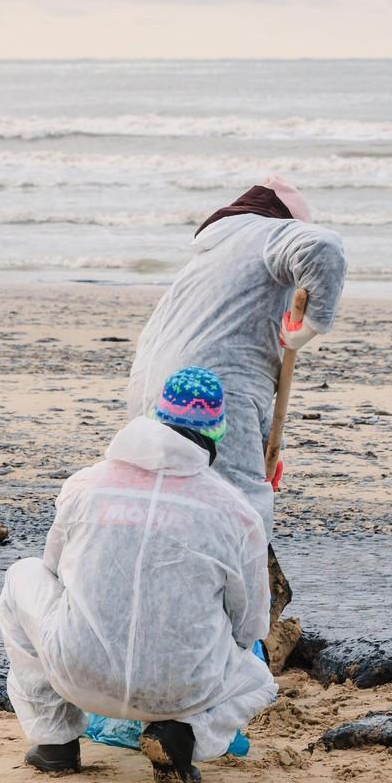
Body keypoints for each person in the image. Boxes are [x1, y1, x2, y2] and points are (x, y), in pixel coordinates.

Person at [0, 367, 276, 783]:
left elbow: (53, 572)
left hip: (78, 674)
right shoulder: (236, 512)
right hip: (182, 690)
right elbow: (251, 625)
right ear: (218, 433)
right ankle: (182, 734)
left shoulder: (85, 485)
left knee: (24, 574)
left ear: (156, 418)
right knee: (258, 680)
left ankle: (55, 741)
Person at [125, 176, 347, 543]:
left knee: (171, 501)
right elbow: (324, 246)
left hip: (152, 390)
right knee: (240, 508)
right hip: (212, 387)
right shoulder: (269, 233)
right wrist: (311, 325)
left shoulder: (212, 255)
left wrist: (267, 448)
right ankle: (245, 592)